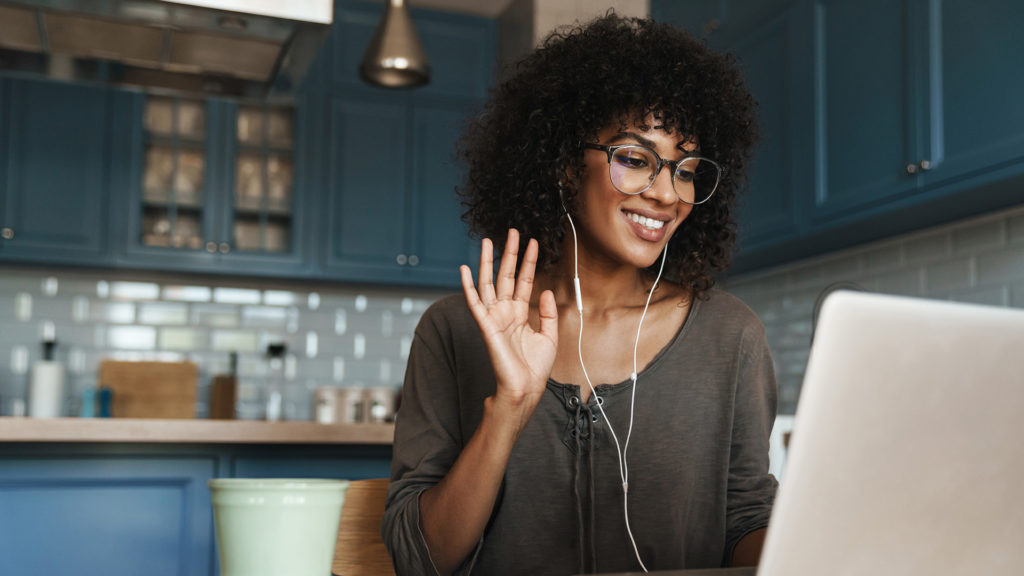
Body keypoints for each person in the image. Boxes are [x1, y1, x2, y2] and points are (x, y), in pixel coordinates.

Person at [382, 12, 778, 576]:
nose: (667, 194)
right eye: (636, 159)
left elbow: (746, 520)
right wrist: (509, 411)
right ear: (566, 164)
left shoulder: (730, 336)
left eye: (686, 170)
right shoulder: (454, 330)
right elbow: (420, 561)